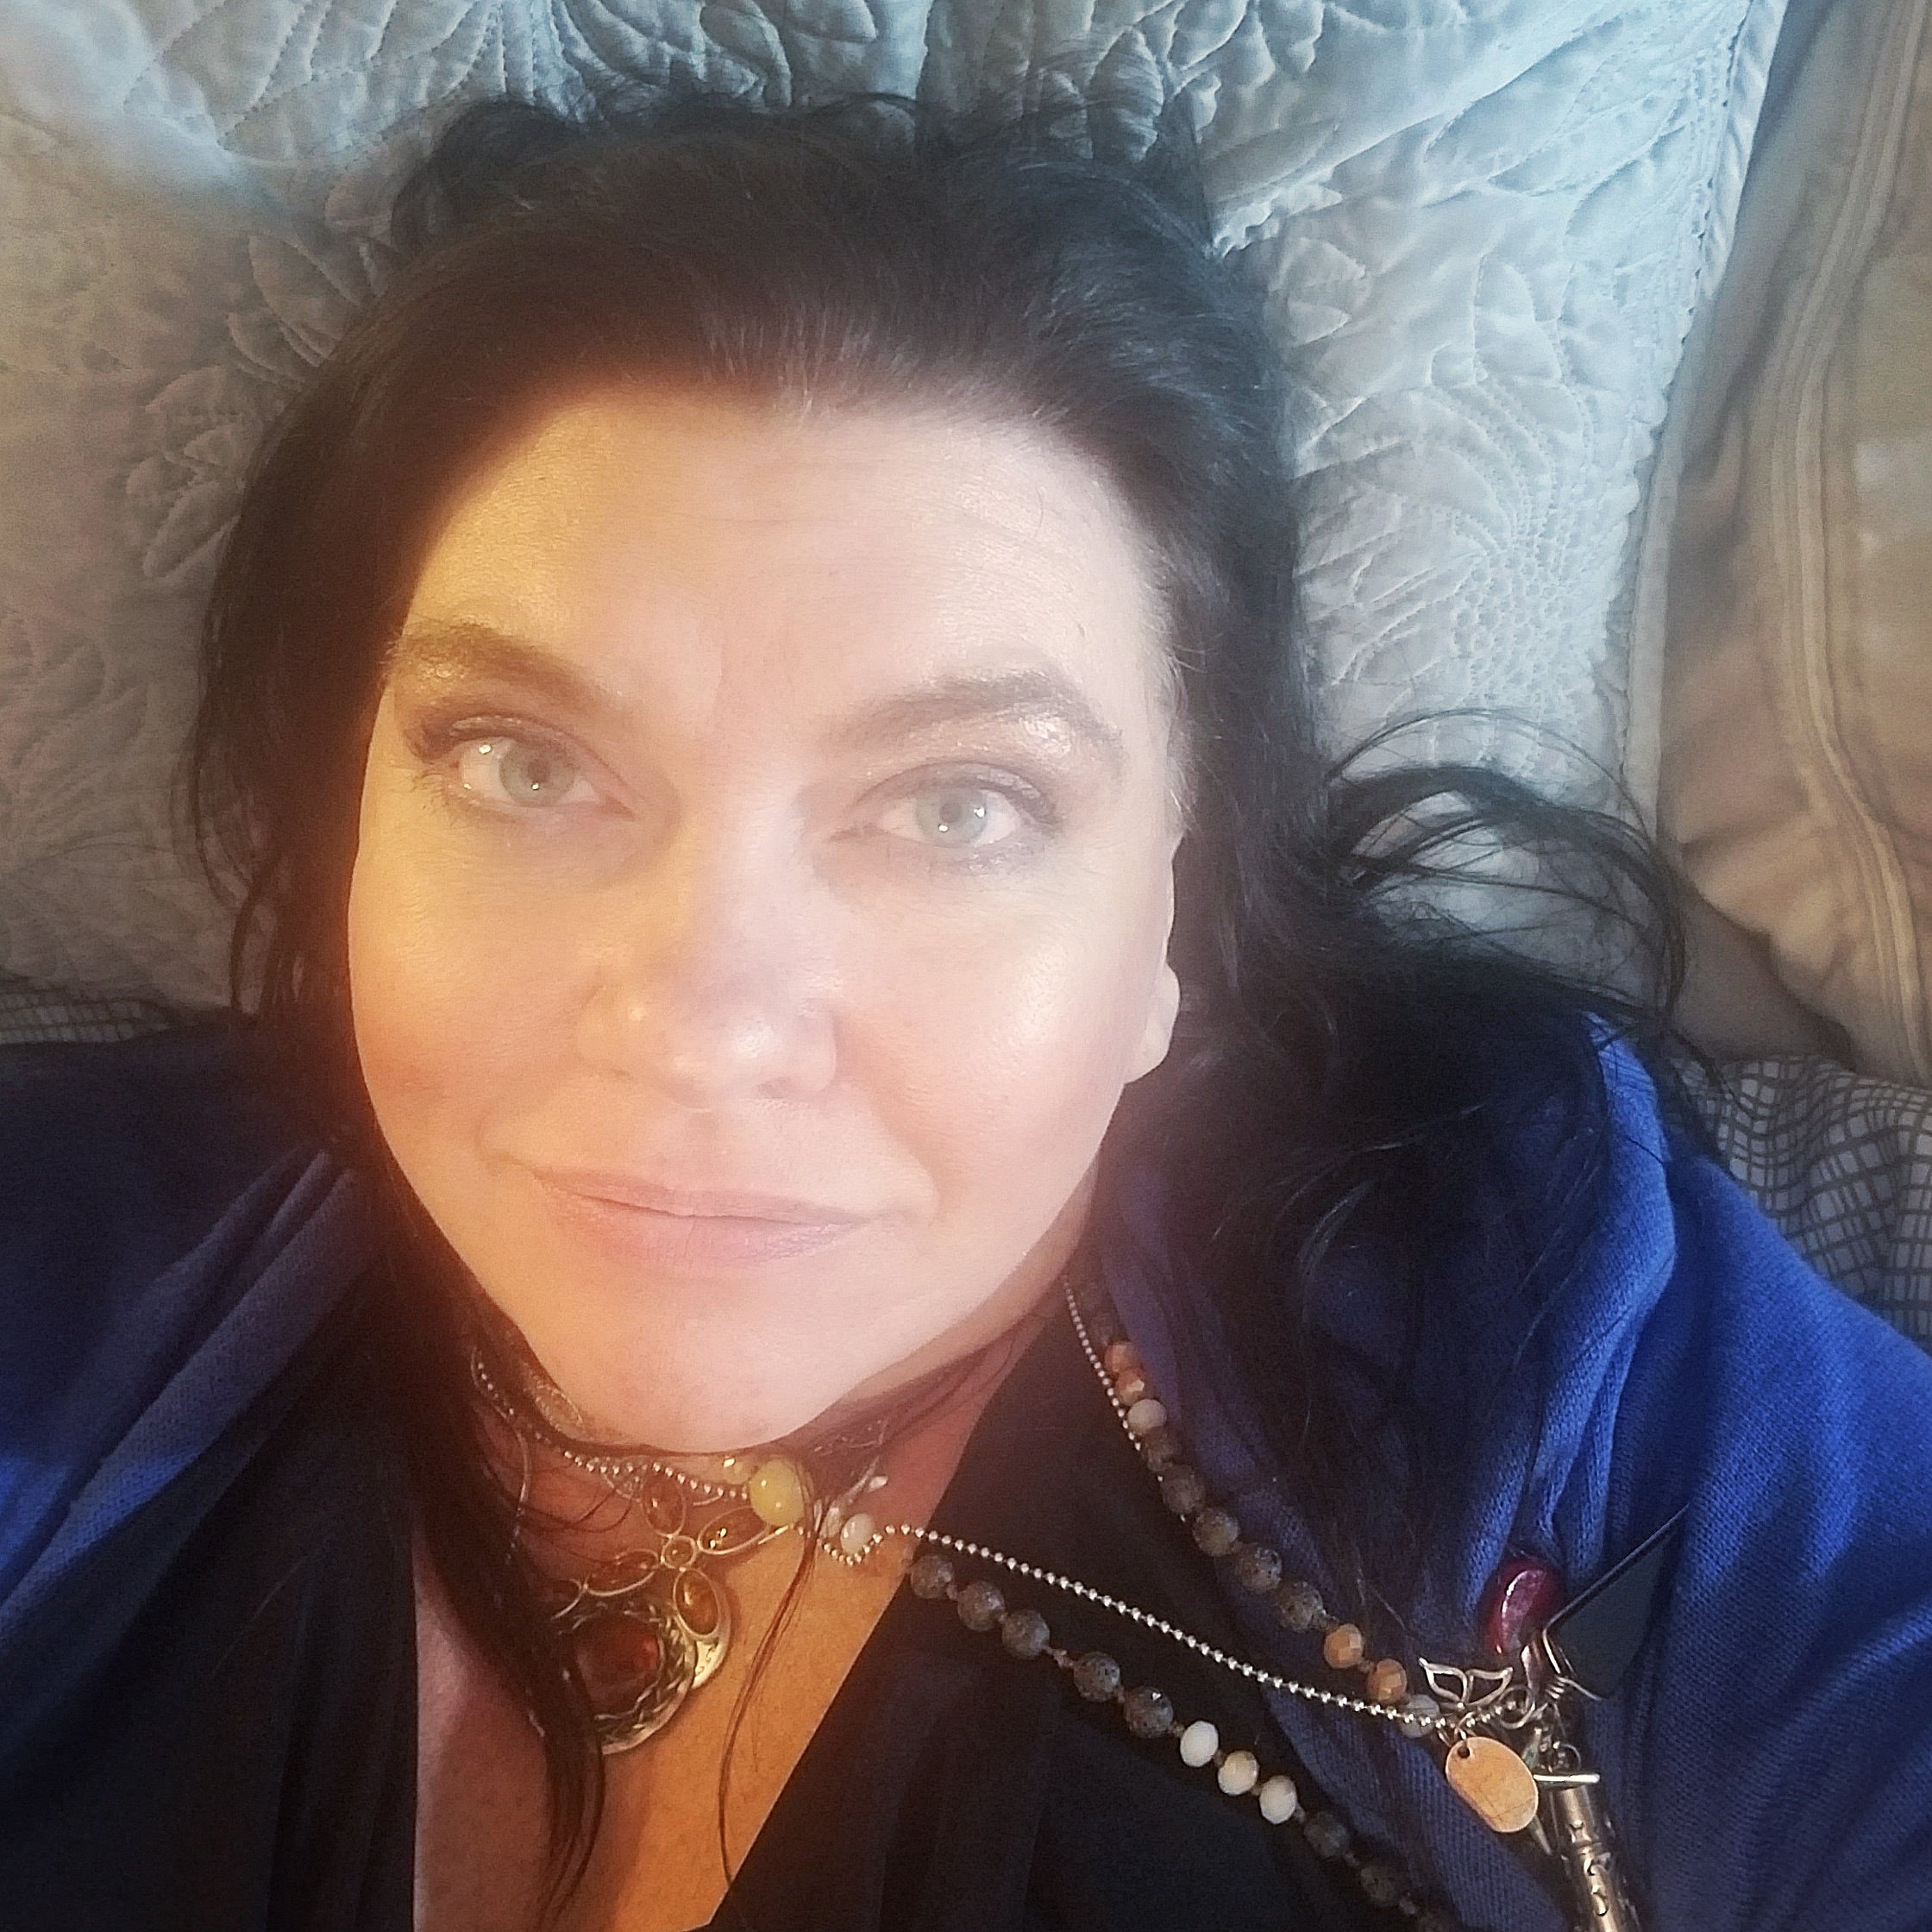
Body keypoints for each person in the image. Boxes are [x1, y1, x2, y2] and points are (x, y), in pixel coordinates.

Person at [2, 84, 1929, 1932]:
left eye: (959, 806)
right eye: (525, 762)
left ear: (1175, 910)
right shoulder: (68, 1255)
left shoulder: (1510, 1313)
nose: (701, 1022)